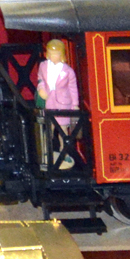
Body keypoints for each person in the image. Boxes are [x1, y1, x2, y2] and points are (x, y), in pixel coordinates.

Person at [34, 39, 81, 170]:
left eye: (55, 53)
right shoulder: (43, 66)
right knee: (48, 129)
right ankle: (46, 152)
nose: (52, 56)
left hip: (63, 104)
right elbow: (40, 79)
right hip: (49, 102)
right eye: (50, 52)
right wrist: (41, 89)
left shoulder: (68, 72)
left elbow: (73, 89)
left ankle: (63, 152)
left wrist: (75, 105)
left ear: (61, 54)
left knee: (63, 132)